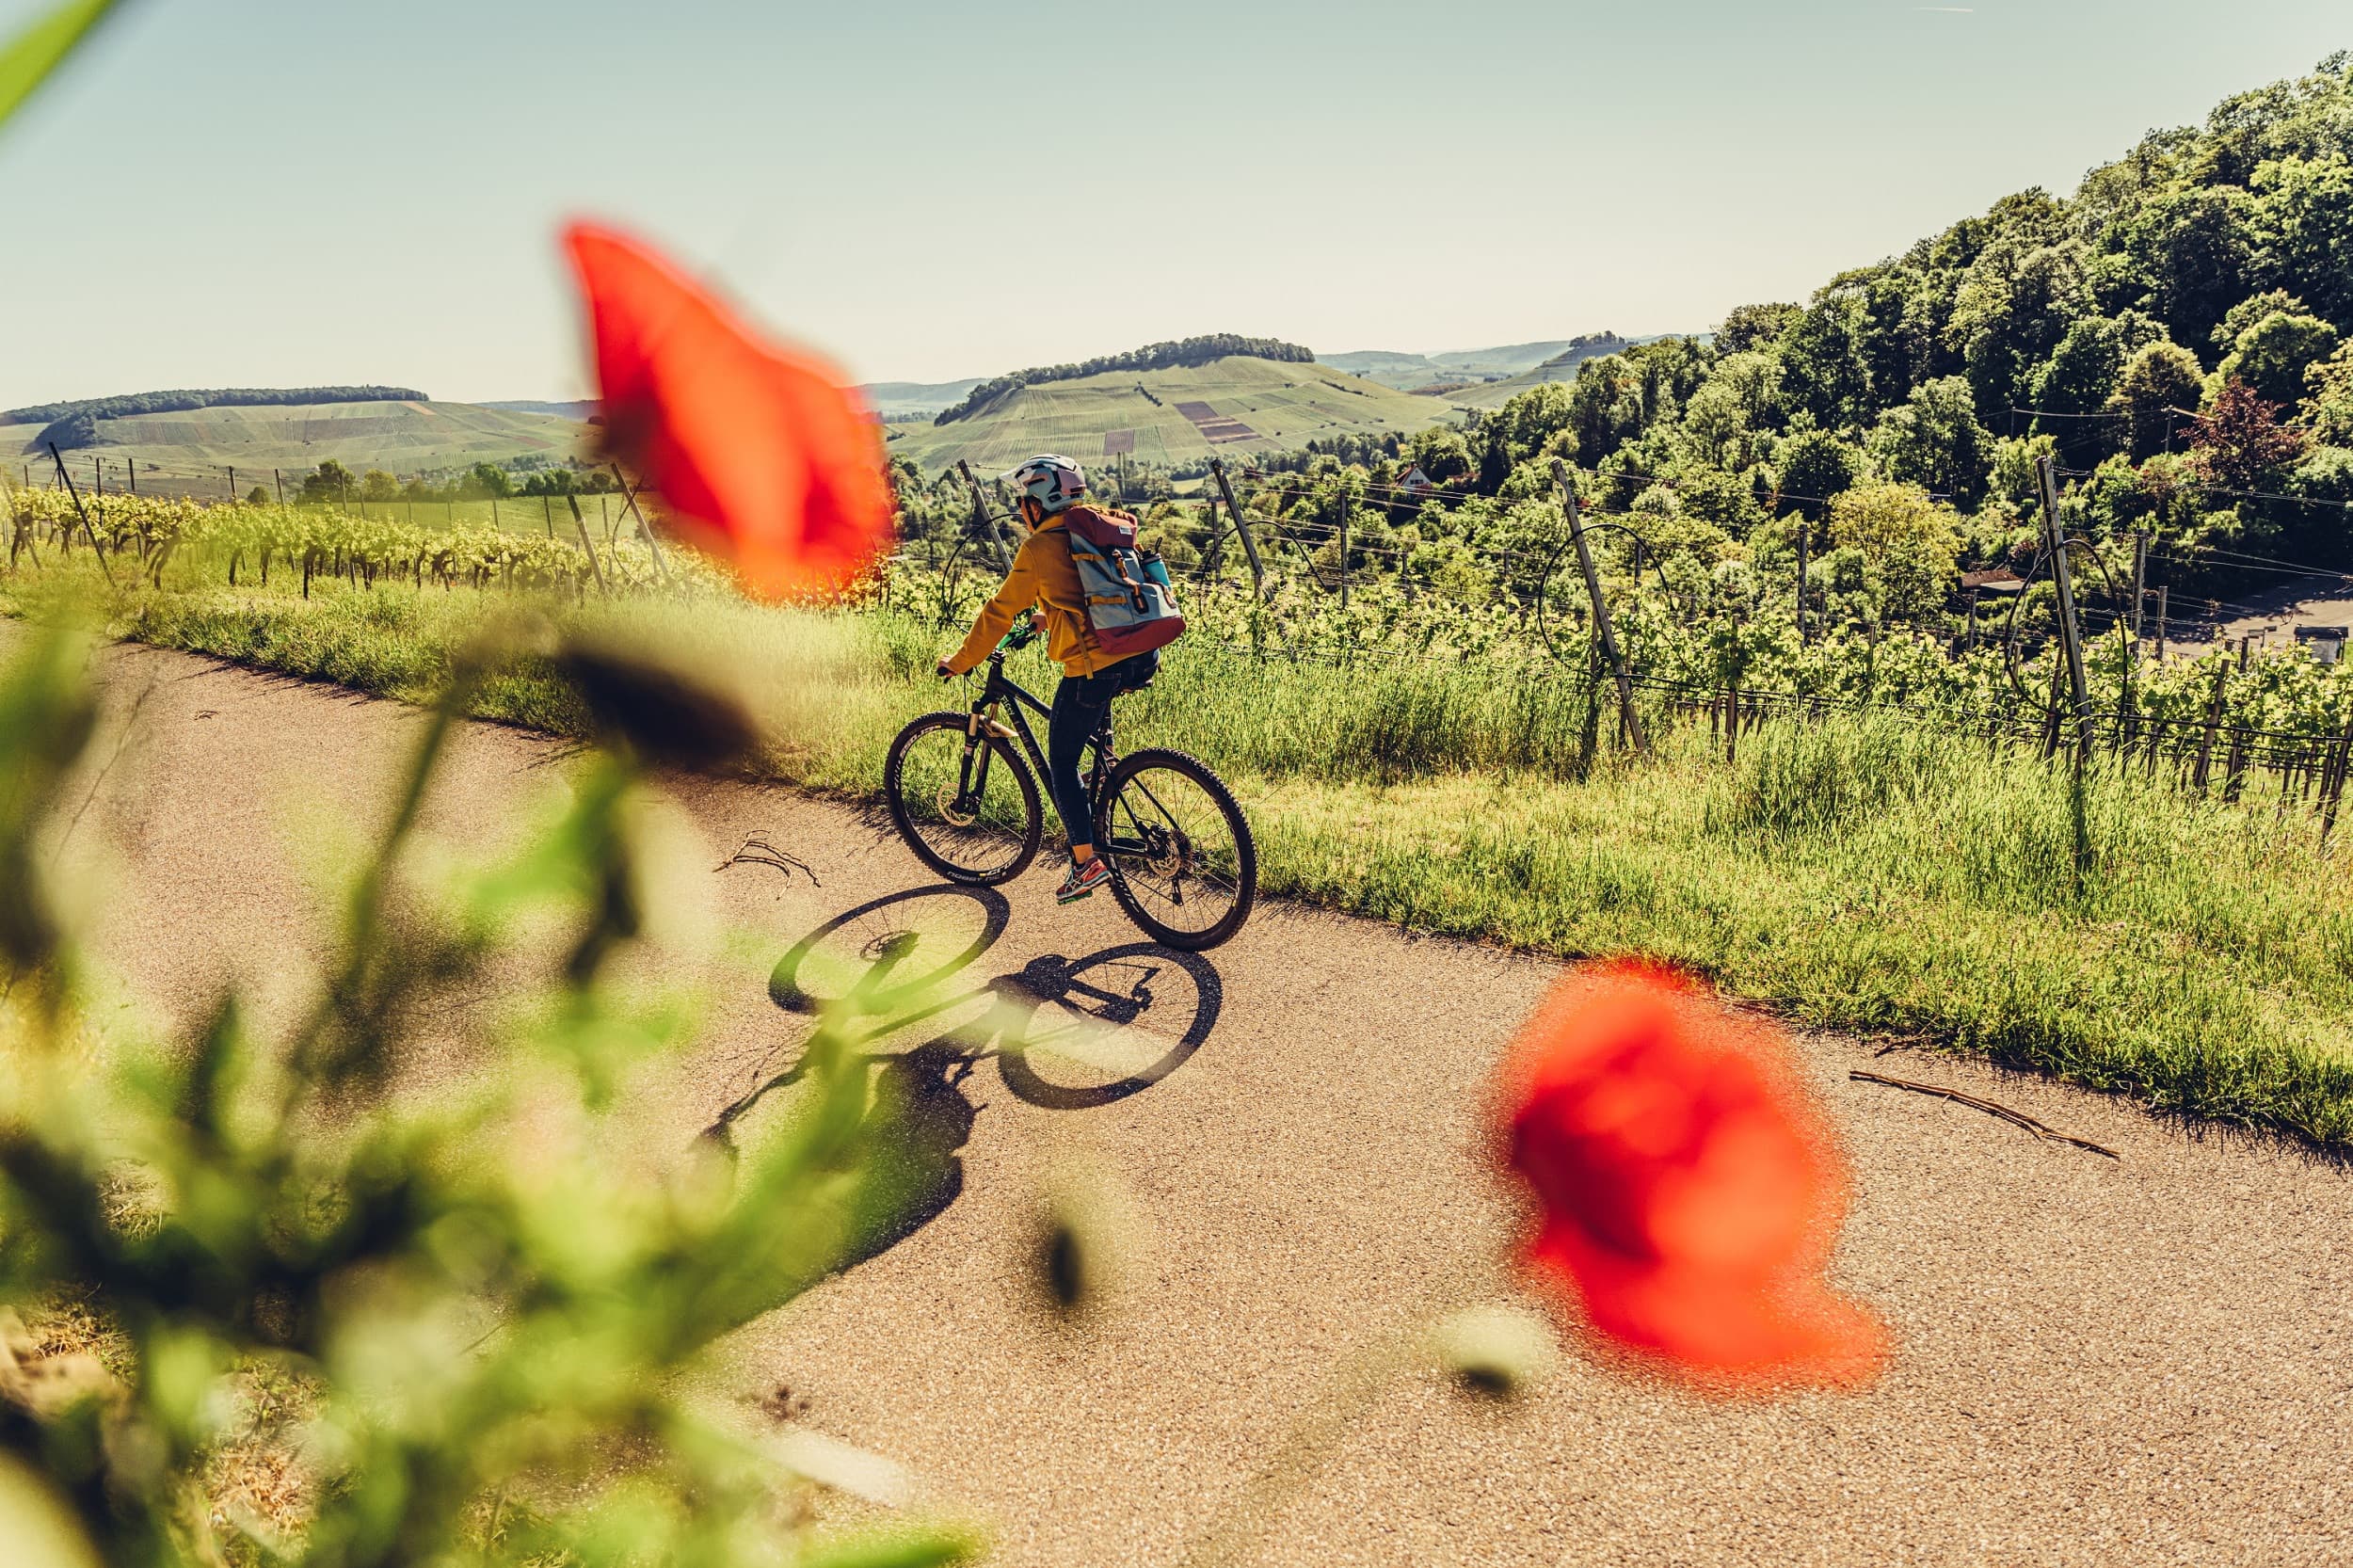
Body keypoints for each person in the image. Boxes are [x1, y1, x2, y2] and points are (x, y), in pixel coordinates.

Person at [936, 455, 1156, 905]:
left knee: (1061, 766)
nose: (1020, 509)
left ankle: (1085, 862)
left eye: (1023, 501)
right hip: (1138, 654)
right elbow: (1089, 594)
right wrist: (1044, 618)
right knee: (1089, 749)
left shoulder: (1038, 548)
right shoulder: (1095, 529)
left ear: (1037, 503)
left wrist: (961, 660)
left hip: (1093, 667)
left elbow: (999, 611)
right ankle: (1105, 789)